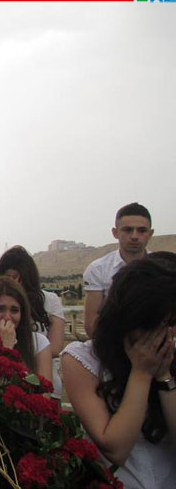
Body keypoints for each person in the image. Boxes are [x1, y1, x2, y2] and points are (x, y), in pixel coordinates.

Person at [61, 254, 176, 489]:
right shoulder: (82, 359)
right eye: (154, 325)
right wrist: (141, 373)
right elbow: (116, 449)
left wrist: (164, 377)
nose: (162, 335)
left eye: (170, 324)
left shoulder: (170, 351)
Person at [0, 246, 65, 398]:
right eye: (8, 277)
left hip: (44, 383)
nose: (14, 283)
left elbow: (55, 347)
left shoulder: (49, 300)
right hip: (3, 384)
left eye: (17, 278)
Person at [83, 203, 153, 338]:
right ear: (115, 233)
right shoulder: (98, 269)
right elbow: (91, 324)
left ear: (150, 234)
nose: (134, 236)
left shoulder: (163, 268)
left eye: (142, 230)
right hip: (111, 342)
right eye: (127, 230)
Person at [0, 275, 53, 382]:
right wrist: (5, 348)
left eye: (14, 310)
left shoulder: (38, 343)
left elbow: (44, 390)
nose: (7, 317)